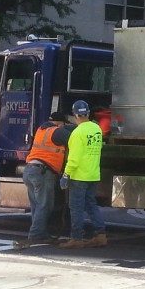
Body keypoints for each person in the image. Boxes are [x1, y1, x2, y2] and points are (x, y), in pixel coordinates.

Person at [15, 111, 73, 249]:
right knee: (45, 205)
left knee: (36, 205)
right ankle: (36, 234)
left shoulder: (42, 129)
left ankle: (40, 232)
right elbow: (74, 137)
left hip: (30, 170)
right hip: (43, 172)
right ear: (60, 123)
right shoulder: (57, 132)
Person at [59, 100, 106, 250]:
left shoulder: (77, 133)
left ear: (75, 115)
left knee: (76, 207)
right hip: (93, 174)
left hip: (79, 176)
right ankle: (100, 235)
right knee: (91, 204)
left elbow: (74, 158)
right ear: (88, 113)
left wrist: (66, 174)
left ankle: (76, 238)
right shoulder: (96, 129)